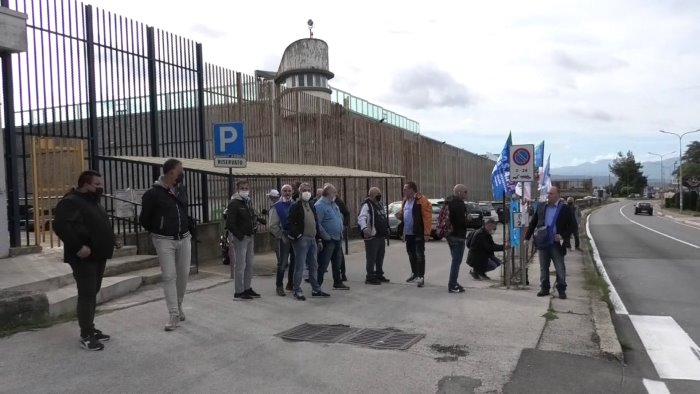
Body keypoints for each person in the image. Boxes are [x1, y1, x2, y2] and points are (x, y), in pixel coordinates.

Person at [54, 170, 117, 351]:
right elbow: (61, 226)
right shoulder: (71, 202)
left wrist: (112, 239)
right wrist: (78, 246)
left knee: (93, 291)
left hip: (98, 254)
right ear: (85, 184)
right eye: (96, 184)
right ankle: (86, 335)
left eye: (100, 184)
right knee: (87, 293)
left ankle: (90, 328)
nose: (100, 187)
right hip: (83, 256)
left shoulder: (93, 202)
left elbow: (100, 224)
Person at [140, 159, 193, 331]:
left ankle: (178, 305)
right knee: (169, 276)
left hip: (184, 237)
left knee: (183, 274)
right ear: (170, 172)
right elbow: (144, 220)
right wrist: (159, 229)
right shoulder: (152, 194)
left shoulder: (181, 190)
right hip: (164, 240)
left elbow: (184, 210)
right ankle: (173, 314)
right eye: (180, 170)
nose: (182, 173)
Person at [525, 186, 575, 299]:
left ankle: (561, 289)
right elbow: (533, 222)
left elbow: (573, 226)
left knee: (560, 267)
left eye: (551, 193)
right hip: (543, 242)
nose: (549, 195)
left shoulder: (565, 209)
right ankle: (544, 288)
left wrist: (563, 236)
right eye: (548, 193)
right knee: (543, 267)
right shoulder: (542, 207)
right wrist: (527, 238)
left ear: (558, 195)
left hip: (556, 244)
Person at [287, 182, 329, 301]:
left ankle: (316, 289)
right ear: (299, 192)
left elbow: (316, 222)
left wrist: (318, 238)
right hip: (302, 240)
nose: (307, 192)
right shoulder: (295, 206)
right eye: (304, 190)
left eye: (309, 190)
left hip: (312, 239)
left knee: (313, 265)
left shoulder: (311, 204)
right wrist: (298, 235)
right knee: (299, 266)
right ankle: (297, 290)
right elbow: (289, 222)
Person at [226, 180, 266, 301]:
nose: (245, 190)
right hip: (241, 238)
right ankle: (239, 292)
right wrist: (240, 235)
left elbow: (251, 216)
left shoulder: (248, 202)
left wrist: (258, 220)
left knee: (249, 264)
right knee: (240, 265)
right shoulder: (234, 203)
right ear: (237, 189)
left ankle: (247, 288)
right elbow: (230, 223)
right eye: (242, 188)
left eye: (246, 188)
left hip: (250, 236)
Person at [395, 181, 432, 288]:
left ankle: (421, 276)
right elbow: (405, 214)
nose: (404, 191)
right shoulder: (405, 201)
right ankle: (414, 274)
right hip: (409, 233)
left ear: (412, 189)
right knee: (411, 254)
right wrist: (400, 216)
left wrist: (426, 232)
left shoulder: (422, 200)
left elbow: (427, 217)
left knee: (419, 254)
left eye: (406, 189)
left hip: (418, 232)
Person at [315, 184, 350, 290]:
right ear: (329, 193)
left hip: (337, 238)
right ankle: (316, 286)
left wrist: (340, 228)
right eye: (334, 192)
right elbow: (317, 223)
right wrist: (325, 236)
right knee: (323, 263)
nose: (336, 194)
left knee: (337, 262)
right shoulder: (320, 205)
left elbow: (340, 216)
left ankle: (337, 282)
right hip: (328, 239)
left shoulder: (333, 204)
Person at [358, 187, 390, 285]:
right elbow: (361, 218)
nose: (379, 196)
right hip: (371, 237)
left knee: (380, 256)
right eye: (377, 194)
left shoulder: (379, 204)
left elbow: (383, 217)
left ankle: (379, 274)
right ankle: (370, 277)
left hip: (380, 236)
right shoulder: (367, 205)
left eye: (380, 193)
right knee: (371, 257)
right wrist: (364, 229)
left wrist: (387, 227)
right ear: (371, 195)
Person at [269, 184, 294, 296]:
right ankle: (279, 286)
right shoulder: (277, 206)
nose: (287, 193)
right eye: (285, 191)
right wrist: (280, 235)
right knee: (283, 263)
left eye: (289, 191)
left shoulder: (295, 204)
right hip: (284, 238)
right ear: (281, 192)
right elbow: (272, 225)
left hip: (296, 238)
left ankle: (291, 283)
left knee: (294, 262)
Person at [445, 184, 469, 293]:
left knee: (455, 260)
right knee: (456, 262)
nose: (466, 194)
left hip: (450, 236)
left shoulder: (448, 202)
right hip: (458, 236)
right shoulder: (459, 205)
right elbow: (460, 222)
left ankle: (454, 281)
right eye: (465, 192)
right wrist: (467, 219)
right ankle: (452, 284)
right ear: (459, 192)